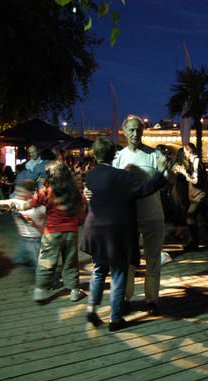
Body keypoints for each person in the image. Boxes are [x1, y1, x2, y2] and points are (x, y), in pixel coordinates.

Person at [81, 137, 168, 331]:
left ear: (94, 155)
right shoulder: (122, 177)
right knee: (119, 273)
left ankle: (91, 309)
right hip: (116, 232)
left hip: (94, 230)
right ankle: (115, 318)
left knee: (98, 271)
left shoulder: (90, 176)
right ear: (114, 155)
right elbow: (145, 189)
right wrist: (160, 171)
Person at [111, 115, 166, 316]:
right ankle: (126, 297)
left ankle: (151, 299)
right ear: (124, 132)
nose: (135, 133)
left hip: (153, 214)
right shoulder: (117, 158)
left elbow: (167, 182)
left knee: (153, 258)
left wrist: (168, 170)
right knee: (128, 260)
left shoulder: (154, 155)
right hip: (128, 217)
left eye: (138, 129)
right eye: (131, 130)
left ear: (143, 131)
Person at [9, 161, 84, 303]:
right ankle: (74, 290)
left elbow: (28, 204)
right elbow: (82, 205)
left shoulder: (46, 191)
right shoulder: (74, 192)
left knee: (46, 261)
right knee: (70, 262)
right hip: (71, 232)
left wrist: (15, 205)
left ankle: (40, 290)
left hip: (52, 232)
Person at [173, 143, 208, 251]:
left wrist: (184, 173)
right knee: (202, 216)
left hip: (200, 194)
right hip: (199, 194)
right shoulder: (194, 161)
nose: (185, 154)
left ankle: (194, 242)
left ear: (189, 151)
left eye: (185, 152)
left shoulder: (196, 161)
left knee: (190, 216)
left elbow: (195, 180)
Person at [0, 180, 45, 270]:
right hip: (23, 239)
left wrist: (34, 223)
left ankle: (50, 281)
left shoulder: (38, 206)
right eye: (17, 191)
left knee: (40, 266)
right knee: (20, 261)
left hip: (34, 240)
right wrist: (6, 205)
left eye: (21, 191)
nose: (17, 193)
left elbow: (46, 220)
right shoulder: (16, 201)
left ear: (30, 192)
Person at [169, 148, 190, 241]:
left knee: (180, 209)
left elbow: (171, 178)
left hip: (178, 189)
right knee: (182, 209)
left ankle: (179, 232)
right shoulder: (185, 166)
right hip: (181, 189)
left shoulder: (177, 165)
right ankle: (179, 232)